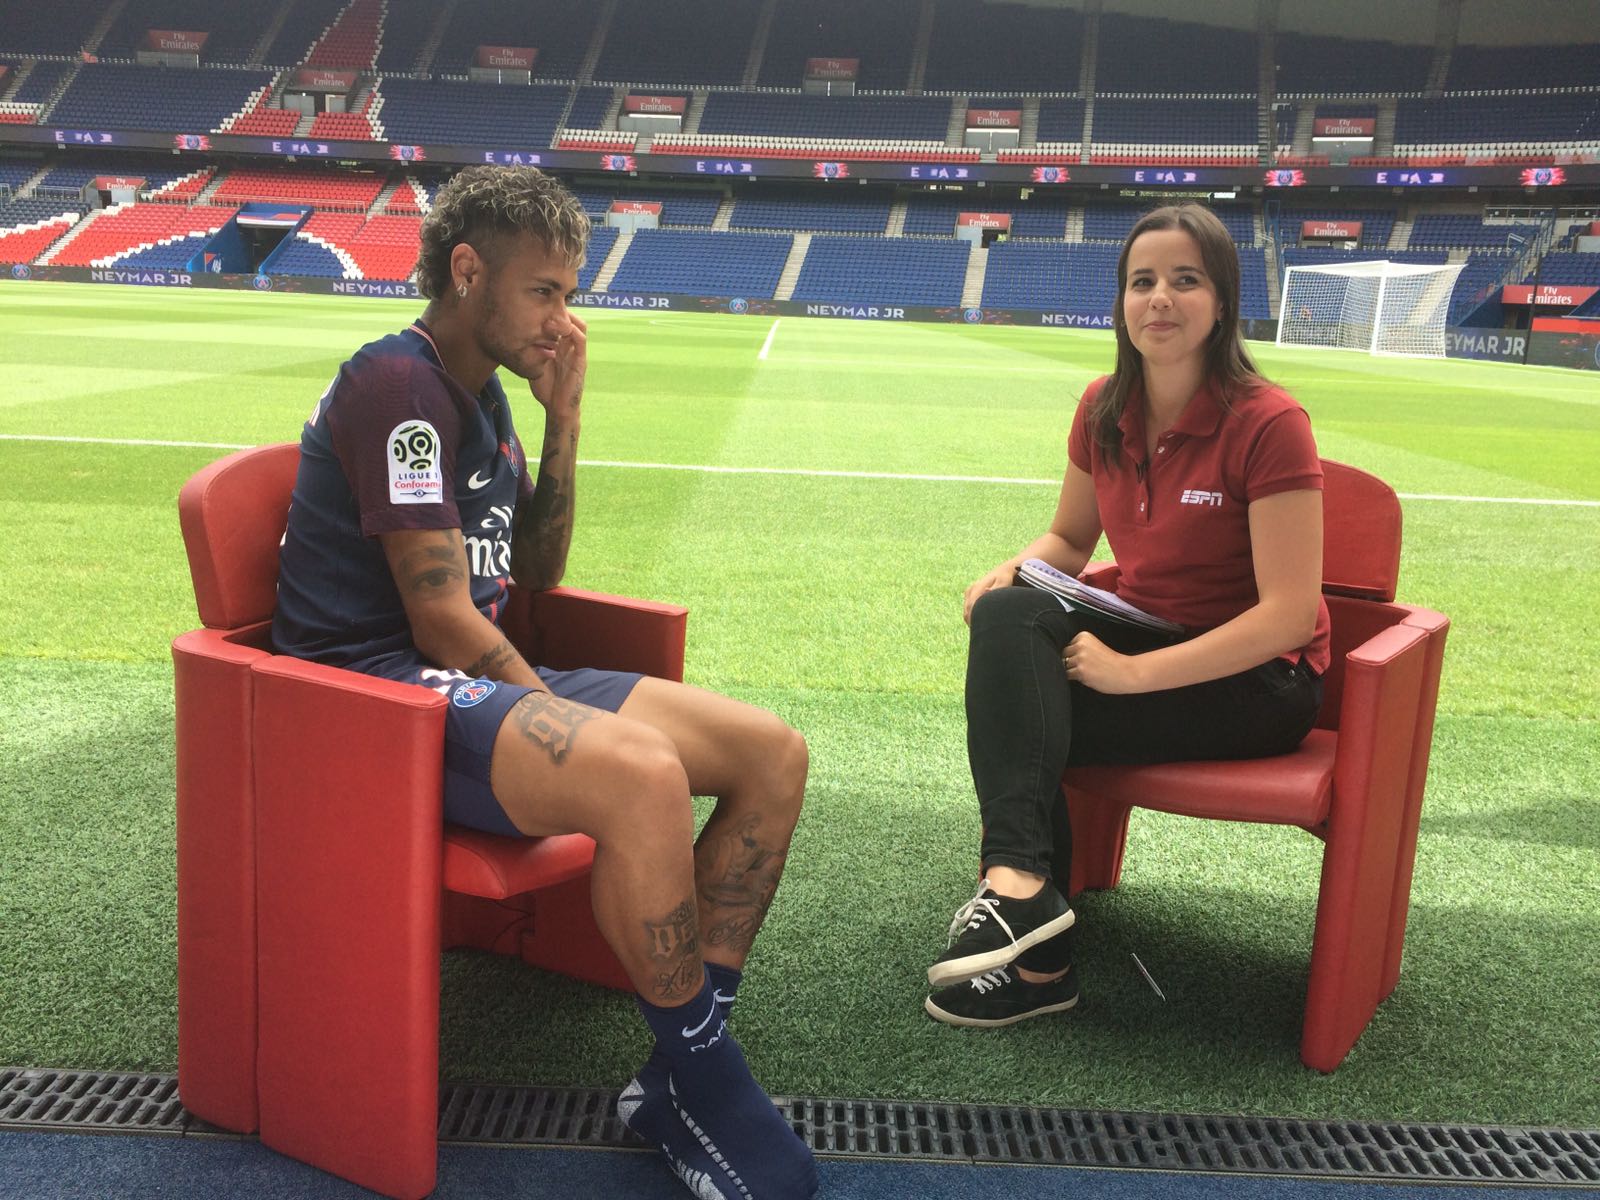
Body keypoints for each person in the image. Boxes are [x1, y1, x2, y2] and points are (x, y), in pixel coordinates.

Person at [271, 165, 817, 1200]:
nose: (564, 320)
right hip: (373, 698)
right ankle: (707, 1085)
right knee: (640, 774)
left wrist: (564, 417)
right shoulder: (399, 387)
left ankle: (680, 1073)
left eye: (569, 294)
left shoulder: (483, 395)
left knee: (771, 756)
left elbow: (536, 573)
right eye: (545, 292)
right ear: (467, 271)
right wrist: (550, 709)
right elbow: (439, 617)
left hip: (464, 679)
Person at [925, 203, 1328, 1028]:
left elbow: (1290, 617)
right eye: (1143, 281)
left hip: (1260, 683)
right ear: (1121, 302)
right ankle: (1022, 891)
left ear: (1222, 300)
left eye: (1186, 280)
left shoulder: (1270, 422)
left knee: (1032, 716)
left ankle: (1036, 955)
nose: (1160, 299)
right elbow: (1072, 540)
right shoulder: (1103, 408)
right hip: (1150, 636)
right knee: (1011, 616)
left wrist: (1133, 673)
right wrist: (1011, 568)